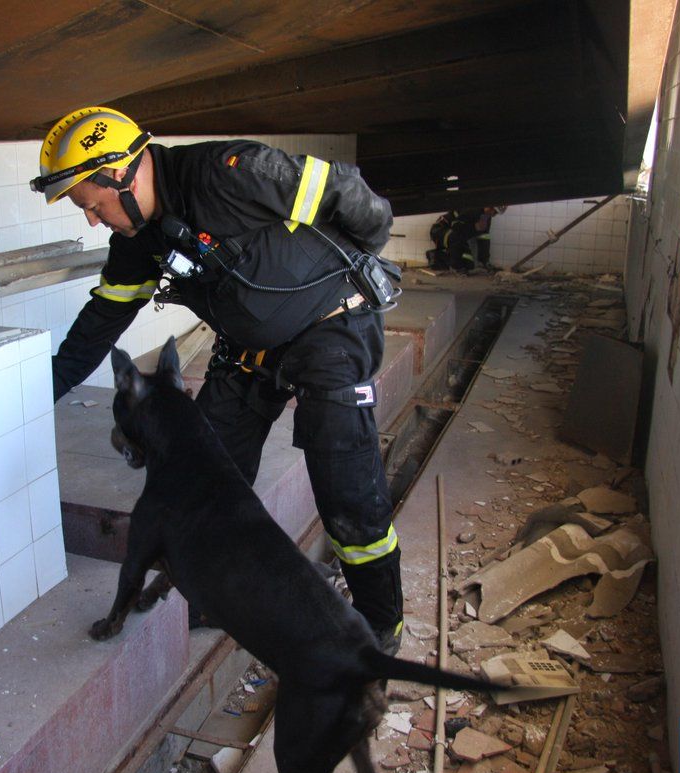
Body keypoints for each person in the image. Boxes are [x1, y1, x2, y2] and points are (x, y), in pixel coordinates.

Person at [29, 107, 404, 653]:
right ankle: (216, 596)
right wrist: (26, 403)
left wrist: (362, 267)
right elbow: (96, 328)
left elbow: (349, 193)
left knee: (345, 483)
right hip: (250, 350)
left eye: (92, 204)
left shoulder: (229, 172)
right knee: (198, 472)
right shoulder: (138, 240)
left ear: (124, 173)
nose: (92, 220)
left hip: (332, 326)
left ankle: (378, 630)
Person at [427, 206, 506, 271]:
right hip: (439, 230)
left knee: (469, 264)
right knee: (456, 239)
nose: (493, 215)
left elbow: (484, 238)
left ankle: (437, 256)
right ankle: (455, 267)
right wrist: (474, 227)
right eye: (494, 212)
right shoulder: (472, 208)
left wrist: (485, 262)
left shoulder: (486, 217)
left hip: (457, 238)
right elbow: (456, 228)